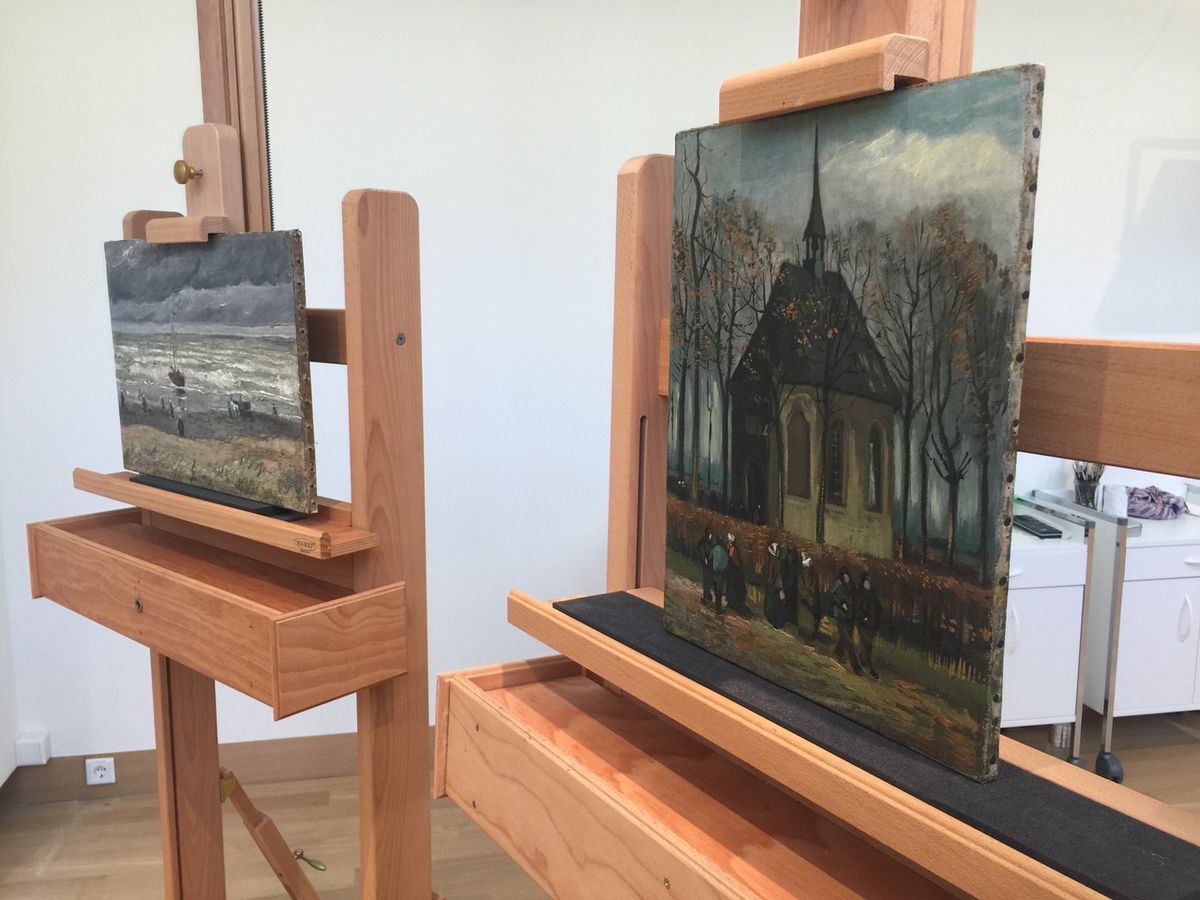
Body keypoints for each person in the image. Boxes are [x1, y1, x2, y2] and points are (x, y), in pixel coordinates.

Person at [832, 567, 863, 674]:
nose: (846, 577)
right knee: (848, 640)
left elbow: (854, 599)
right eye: (845, 575)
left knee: (844, 637)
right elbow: (833, 595)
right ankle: (855, 665)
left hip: (849, 615)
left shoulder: (851, 585)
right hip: (840, 614)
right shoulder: (838, 583)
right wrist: (841, 603)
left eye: (847, 575)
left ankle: (838, 652)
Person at [857, 569, 883, 679]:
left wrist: (879, 613)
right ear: (864, 581)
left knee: (868, 645)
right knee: (866, 644)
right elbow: (858, 607)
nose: (869, 583)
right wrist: (864, 617)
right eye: (867, 581)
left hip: (872, 624)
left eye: (870, 581)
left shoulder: (871, 592)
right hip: (864, 623)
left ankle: (866, 664)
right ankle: (866, 666)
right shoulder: (860, 592)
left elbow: (878, 606)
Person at [725, 534, 749, 616]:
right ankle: (732, 602)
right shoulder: (731, 547)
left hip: (734, 572)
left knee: (733, 587)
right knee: (732, 586)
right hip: (733, 571)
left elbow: (735, 560)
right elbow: (734, 560)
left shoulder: (733, 548)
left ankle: (734, 602)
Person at [764, 543, 787, 628]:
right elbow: (776, 576)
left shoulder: (774, 561)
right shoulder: (775, 561)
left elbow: (776, 576)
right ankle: (775, 620)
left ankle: (774, 620)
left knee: (774, 604)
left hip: (774, 587)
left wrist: (779, 588)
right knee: (775, 604)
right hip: (774, 587)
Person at [695, 528, 716, 607]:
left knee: (708, 580)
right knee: (707, 580)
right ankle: (705, 597)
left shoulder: (708, 542)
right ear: (708, 534)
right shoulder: (704, 543)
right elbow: (702, 553)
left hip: (709, 565)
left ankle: (707, 595)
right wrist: (705, 561)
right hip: (707, 565)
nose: (711, 535)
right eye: (710, 534)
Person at [780, 543, 800, 626]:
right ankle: (787, 617)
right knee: (787, 601)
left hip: (792, 583)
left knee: (791, 601)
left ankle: (790, 617)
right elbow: (783, 571)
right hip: (787, 583)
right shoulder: (785, 558)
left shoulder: (794, 557)